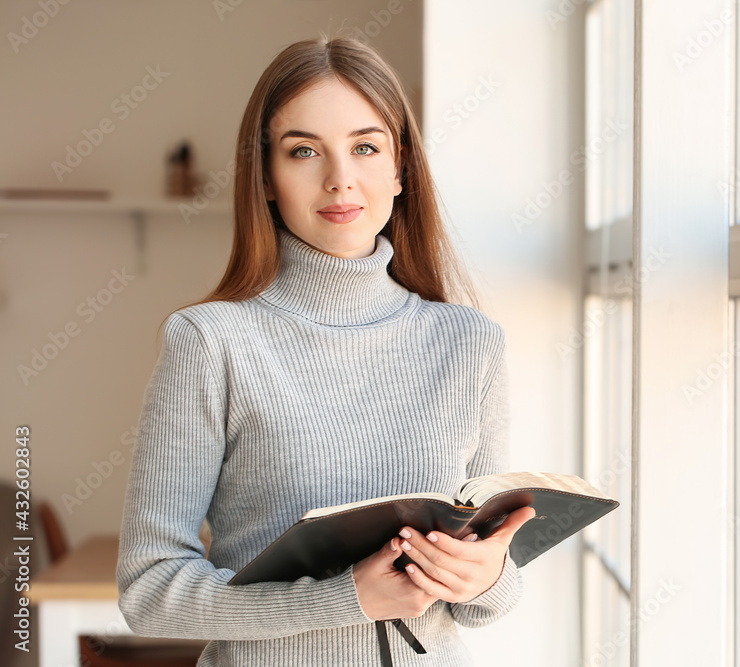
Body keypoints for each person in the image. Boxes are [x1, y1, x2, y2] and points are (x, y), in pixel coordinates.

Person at [116, 35, 535, 667]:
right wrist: (344, 599)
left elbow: (489, 599)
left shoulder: (470, 343)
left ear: (400, 171)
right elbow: (149, 591)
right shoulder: (210, 342)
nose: (341, 180)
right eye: (304, 150)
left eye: (365, 147)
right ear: (265, 177)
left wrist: (485, 576)